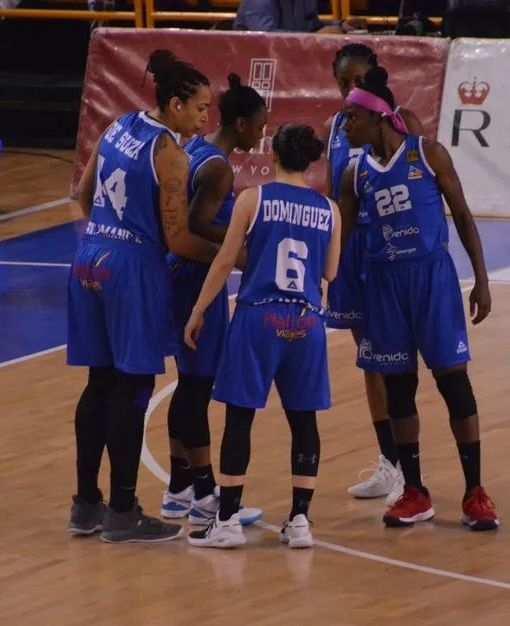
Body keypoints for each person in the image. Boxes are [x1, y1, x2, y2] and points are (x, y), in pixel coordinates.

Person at [65, 49, 219, 544]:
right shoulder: (169, 154)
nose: (205, 118)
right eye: (199, 108)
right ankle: (123, 510)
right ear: (174, 105)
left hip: (90, 254)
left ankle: (86, 504)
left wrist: (111, 232)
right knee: (132, 389)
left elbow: (85, 194)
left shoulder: (116, 125)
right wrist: (232, 254)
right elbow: (177, 240)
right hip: (131, 268)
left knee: (98, 383)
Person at [338, 65, 499, 531]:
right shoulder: (355, 174)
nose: (344, 125)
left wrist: (482, 280)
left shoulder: (427, 155)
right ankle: (415, 491)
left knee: (454, 383)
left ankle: (475, 492)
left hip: (433, 279)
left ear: (378, 118)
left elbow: (464, 216)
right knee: (399, 389)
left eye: (351, 117)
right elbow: (342, 238)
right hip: (384, 285)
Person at [182, 124, 341, 549]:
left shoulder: (253, 198)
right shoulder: (329, 208)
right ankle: (301, 521)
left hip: (259, 317)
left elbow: (224, 262)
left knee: (240, 416)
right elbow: (330, 272)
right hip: (306, 322)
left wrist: (198, 310)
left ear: (273, 157)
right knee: (303, 419)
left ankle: (228, 521)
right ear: (309, 163)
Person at [161, 73, 268, 528]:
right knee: (198, 386)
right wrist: (242, 245)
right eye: (261, 123)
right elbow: (196, 222)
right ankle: (205, 493)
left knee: (189, 383)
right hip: (194, 278)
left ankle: (178, 487)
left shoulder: (197, 149)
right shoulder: (219, 167)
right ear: (242, 124)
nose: (265, 132)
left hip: (178, 273)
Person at [323, 44, 424, 506]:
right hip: (353, 249)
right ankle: (390, 463)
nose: (350, 90)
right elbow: (334, 194)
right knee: (368, 358)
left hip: (388, 248)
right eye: (343, 82)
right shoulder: (337, 128)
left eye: (358, 79)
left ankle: (409, 467)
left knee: (395, 360)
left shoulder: (402, 125)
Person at [233, 0, 367, 33]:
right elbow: (266, 38)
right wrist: (312, 38)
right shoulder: (259, 2)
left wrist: (340, 26)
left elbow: (313, 26)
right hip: (257, 64)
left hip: (293, 63)